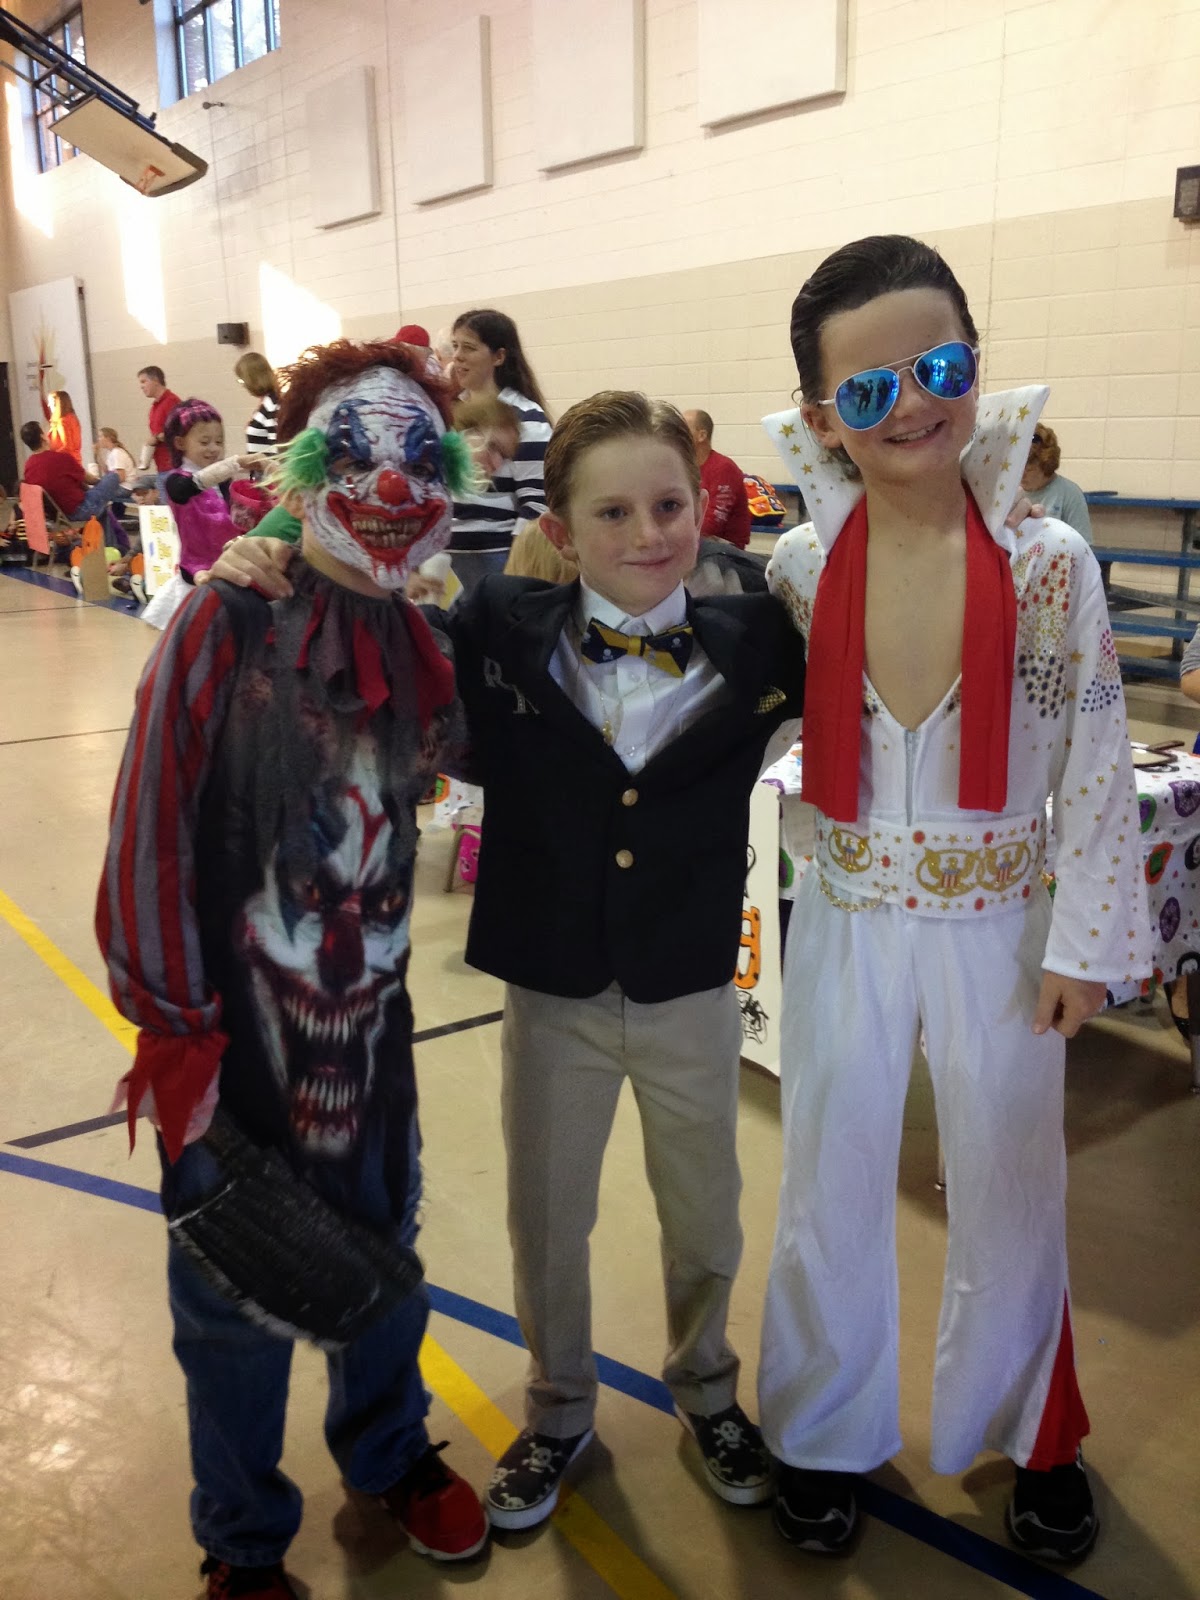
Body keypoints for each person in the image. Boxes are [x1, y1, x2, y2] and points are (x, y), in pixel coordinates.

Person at [206, 389, 808, 1534]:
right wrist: (269, 550)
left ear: (704, 505)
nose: (649, 533)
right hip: (552, 988)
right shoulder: (494, 627)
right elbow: (363, 625)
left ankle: (708, 1386)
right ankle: (560, 1404)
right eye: (613, 512)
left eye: (670, 505)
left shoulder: (766, 640)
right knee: (548, 1214)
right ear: (561, 530)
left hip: (688, 986)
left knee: (707, 1213)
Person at [757, 234, 1151, 1562]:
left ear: (977, 363)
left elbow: (1096, 757)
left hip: (1003, 926)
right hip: (846, 916)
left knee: (1013, 1182)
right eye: (868, 390)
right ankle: (820, 1429)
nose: (912, 405)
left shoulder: (1050, 564)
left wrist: (1088, 942)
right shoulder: (800, 566)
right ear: (822, 416)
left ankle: (1036, 1436)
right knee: (827, 1175)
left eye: (940, 368)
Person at [96, 338, 488, 1600]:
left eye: (420, 459)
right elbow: (150, 819)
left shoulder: (416, 637)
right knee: (230, 1296)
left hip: (373, 1031)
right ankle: (243, 1535)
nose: (392, 485)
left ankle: (388, 1452)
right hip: (231, 1037)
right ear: (309, 470)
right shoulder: (229, 618)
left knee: (384, 1248)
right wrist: (175, 1025)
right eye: (359, 456)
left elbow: (477, 751)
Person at [446, 309, 551, 596]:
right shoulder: (446, 412)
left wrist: (516, 568)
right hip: (444, 558)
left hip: (497, 557)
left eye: (469, 348)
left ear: (499, 357)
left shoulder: (527, 417)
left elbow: (536, 502)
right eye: (455, 346)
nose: (457, 357)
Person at [162, 399, 261, 583]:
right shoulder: (176, 481)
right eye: (205, 442)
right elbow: (191, 486)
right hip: (197, 566)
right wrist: (236, 463)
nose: (214, 449)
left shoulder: (223, 481)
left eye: (219, 442)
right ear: (180, 443)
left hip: (230, 558)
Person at [20, 419, 126, 525]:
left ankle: (111, 530)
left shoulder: (28, 466)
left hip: (56, 515)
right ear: (42, 437)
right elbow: (90, 480)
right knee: (112, 476)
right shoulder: (61, 458)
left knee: (103, 511)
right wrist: (102, 484)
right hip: (80, 510)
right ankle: (114, 504)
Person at [684, 409, 752, 550]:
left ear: (701, 435)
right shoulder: (686, 467)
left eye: (683, 428)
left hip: (725, 551)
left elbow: (712, 524)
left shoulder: (724, 468)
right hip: (697, 542)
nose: (676, 434)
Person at [1021, 424, 1092, 543]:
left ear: (1046, 466)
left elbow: (1083, 545)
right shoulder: (1009, 491)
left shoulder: (1070, 493)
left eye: (1029, 470)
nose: (1021, 476)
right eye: (1017, 469)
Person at [235, 351, 281, 456]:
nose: (243, 385)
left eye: (242, 380)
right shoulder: (266, 402)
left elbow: (276, 447)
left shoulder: (272, 405)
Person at [139, 365, 183, 473]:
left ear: (155, 380)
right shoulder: (155, 407)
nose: (141, 386)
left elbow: (180, 431)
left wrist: (157, 438)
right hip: (162, 466)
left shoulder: (171, 401)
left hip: (173, 466)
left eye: (144, 381)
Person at [42, 388, 83, 463]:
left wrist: (51, 456)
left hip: (65, 462)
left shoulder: (63, 421)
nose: (48, 405)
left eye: (50, 402)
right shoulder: (72, 419)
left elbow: (67, 446)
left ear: (57, 404)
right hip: (72, 460)